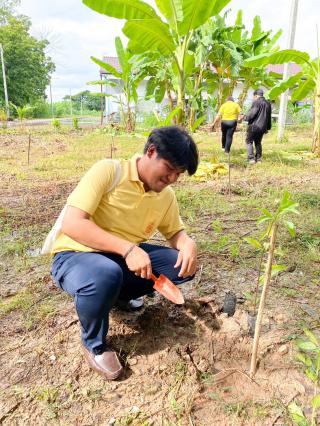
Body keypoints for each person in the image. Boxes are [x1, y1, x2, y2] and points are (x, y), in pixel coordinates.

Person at [49, 126, 199, 380]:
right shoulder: (109, 171)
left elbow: (175, 232)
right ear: (151, 151)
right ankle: (94, 344)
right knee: (104, 274)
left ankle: (116, 297)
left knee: (179, 266)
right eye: (170, 169)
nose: (172, 178)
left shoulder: (165, 196)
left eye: (179, 174)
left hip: (121, 260)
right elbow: (72, 223)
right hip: (76, 256)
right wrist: (127, 248)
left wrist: (186, 243)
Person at [242, 88, 272, 164]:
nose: (253, 98)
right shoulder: (268, 103)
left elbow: (252, 114)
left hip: (254, 126)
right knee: (258, 142)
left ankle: (251, 158)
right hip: (262, 127)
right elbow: (268, 117)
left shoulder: (256, 102)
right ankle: (258, 159)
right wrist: (268, 127)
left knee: (249, 141)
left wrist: (245, 117)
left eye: (253, 97)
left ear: (255, 96)